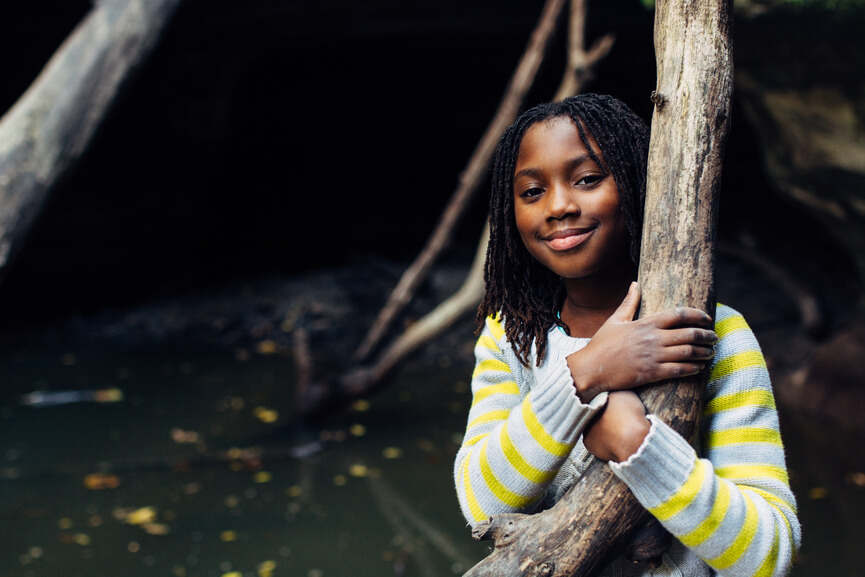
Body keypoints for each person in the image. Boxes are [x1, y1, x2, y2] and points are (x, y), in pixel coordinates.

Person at [453, 94, 801, 577]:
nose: (557, 206)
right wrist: (586, 375)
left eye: (588, 179)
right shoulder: (511, 336)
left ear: (638, 183)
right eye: (532, 191)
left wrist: (639, 446)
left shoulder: (715, 334)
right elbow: (478, 501)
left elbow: (770, 554)